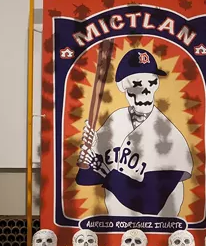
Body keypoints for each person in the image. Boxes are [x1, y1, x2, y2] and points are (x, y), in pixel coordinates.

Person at [76, 48, 193, 218]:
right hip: (116, 226)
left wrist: (104, 170)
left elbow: (150, 203)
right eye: (137, 84)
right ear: (123, 87)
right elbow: (85, 178)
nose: (145, 91)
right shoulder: (116, 119)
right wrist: (90, 150)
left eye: (151, 83)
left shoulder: (170, 136)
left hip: (159, 228)